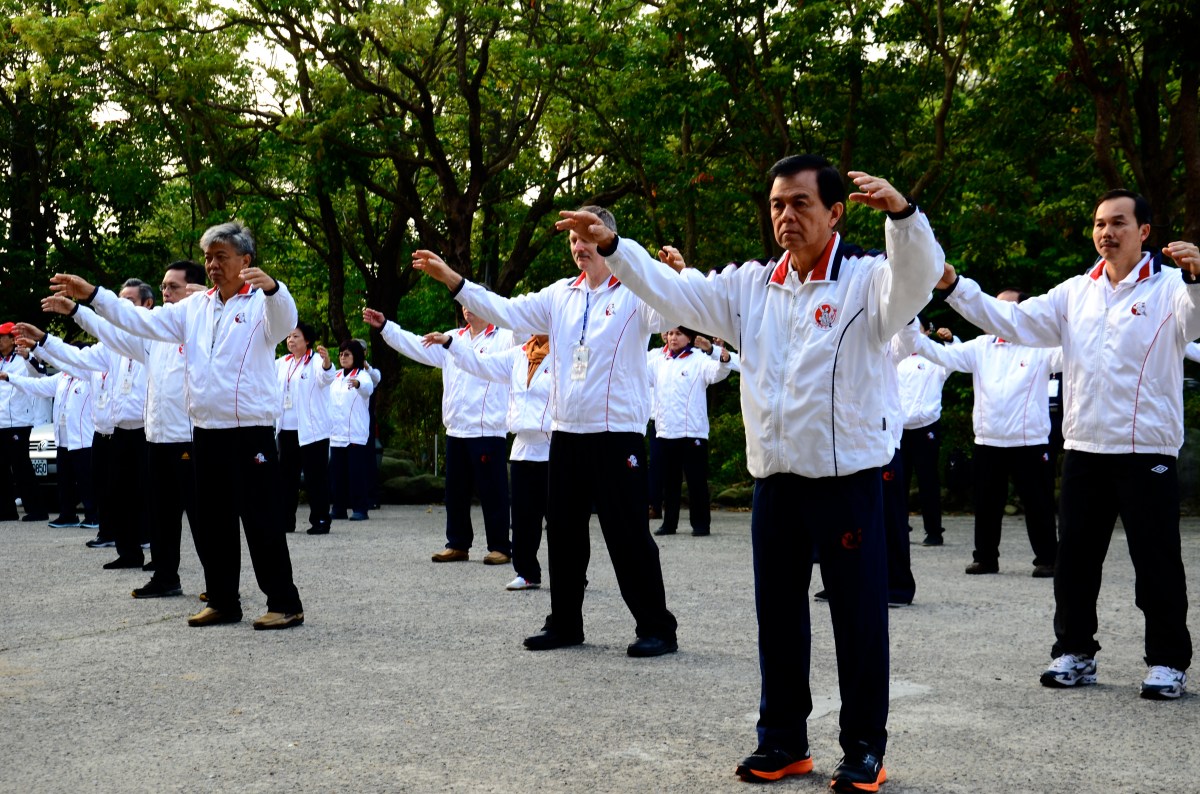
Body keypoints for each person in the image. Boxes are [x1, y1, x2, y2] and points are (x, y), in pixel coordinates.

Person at [585, 156, 944, 789]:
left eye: (801, 203)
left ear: (835, 212)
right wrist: (615, 248)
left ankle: (864, 747)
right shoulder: (750, 286)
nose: (786, 215)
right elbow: (673, 292)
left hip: (847, 480)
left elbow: (917, 280)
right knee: (777, 617)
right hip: (775, 480)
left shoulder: (867, 280)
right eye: (778, 204)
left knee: (858, 620)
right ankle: (782, 740)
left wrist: (903, 216)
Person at [936, 189, 1199, 700]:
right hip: (1083, 448)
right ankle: (1075, 652)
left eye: (1118, 222)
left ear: (1144, 231)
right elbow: (1011, 321)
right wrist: (954, 286)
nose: (1107, 232)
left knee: (1157, 562)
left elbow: (1196, 321)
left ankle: (1168, 661)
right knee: (1075, 561)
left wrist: (1196, 278)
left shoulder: (1172, 286)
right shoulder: (1075, 292)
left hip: (1147, 450)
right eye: (1100, 223)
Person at [411, 204, 680, 659]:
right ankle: (565, 622)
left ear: (607, 238)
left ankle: (657, 627)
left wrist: (673, 274)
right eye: (573, 240)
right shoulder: (560, 295)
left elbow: (673, 310)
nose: (579, 247)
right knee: (564, 533)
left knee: (628, 533)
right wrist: (454, 280)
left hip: (617, 434)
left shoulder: (635, 291)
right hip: (567, 433)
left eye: (586, 237)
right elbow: (505, 310)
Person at [49, 220, 305, 630]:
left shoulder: (262, 303)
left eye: (221, 257)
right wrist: (94, 296)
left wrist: (274, 289)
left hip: (250, 429)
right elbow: (140, 322)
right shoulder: (194, 307)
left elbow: (285, 319)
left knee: (261, 519)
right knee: (215, 521)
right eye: (208, 257)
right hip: (204, 429)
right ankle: (223, 601)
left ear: (245, 260)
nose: (213, 265)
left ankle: (284, 603)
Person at [43, 261, 210, 598]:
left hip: (190, 437)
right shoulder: (153, 337)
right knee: (161, 515)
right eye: (163, 286)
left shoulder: (204, 328)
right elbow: (112, 331)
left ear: (194, 290)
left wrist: (92, 294)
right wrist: (77, 310)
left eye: (174, 287)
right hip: (157, 436)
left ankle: (220, 587)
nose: (166, 292)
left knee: (202, 517)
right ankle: (165, 577)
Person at [913, 296, 1062, 578]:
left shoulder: (1040, 346)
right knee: (985, 503)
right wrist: (910, 327)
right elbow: (942, 355)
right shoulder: (981, 347)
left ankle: (1048, 558)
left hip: (1029, 441)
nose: (997, 312)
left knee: (1038, 503)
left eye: (1006, 307)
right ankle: (985, 558)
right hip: (988, 439)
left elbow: (1074, 352)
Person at [362, 307, 513, 564]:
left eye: (472, 301)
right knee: (455, 492)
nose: (466, 307)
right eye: (463, 302)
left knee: (492, 491)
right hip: (456, 429)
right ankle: (457, 544)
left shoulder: (505, 338)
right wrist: (386, 326)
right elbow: (415, 345)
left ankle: (500, 546)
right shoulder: (452, 337)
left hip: (487, 429)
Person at [23, 279, 154, 570]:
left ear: (147, 305)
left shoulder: (154, 338)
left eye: (129, 302)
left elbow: (102, 325)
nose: (121, 308)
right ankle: (128, 552)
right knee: (118, 493)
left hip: (148, 429)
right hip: (118, 430)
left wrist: (76, 309)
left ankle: (158, 553)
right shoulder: (113, 347)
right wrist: (44, 341)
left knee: (147, 494)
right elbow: (76, 358)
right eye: (119, 301)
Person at [423, 330, 554, 590]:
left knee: (561, 517)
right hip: (523, 446)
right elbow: (480, 363)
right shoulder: (518, 354)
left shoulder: (565, 352)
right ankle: (527, 572)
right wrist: (450, 343)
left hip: (555, 445)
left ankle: (573, 576)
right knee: (523, 517)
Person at [648, 327, 733, 537]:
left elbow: (718, 372)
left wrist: (719, 355)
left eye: (678, 334)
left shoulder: (699, 359)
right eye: (670, 334)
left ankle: (701, 524)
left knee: (696, 481)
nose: (673, 338)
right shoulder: (659, 362)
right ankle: (669, 524)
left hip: (693, 432)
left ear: (689, 337)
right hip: (666, 431)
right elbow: (637, 376)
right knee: (670, 482)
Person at [0, 364, 94, 528]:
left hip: (83, 438)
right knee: (64, 480)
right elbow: (36, 385)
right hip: (63, 438)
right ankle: (68, 515)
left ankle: (93, 516)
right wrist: (10, 377)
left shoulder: (88, 376)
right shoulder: (62, 377)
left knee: (85, 480)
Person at [276, 322, 335, 534]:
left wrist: (327, 363)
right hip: (286, 430)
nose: (290, 340)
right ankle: (286, 520)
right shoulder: (282, 363)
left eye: (296, 336)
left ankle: (320, 520)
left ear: (307, 340)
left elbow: (326, 377)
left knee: (315, 478)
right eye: (288, 336)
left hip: (312, 431)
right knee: (286, 479)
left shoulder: (316, 360)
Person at [897, 322, 952, 546]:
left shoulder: (934, 358)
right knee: (897, 481)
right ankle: (898, 527)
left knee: (927, 480)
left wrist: (949, 341)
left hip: (925, 427)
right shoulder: (896, 357)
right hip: (899, 429)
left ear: (927, 331)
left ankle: (934, 531)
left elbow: (954, 358)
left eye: (916, 327)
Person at [0, 322, 49, 522]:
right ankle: (6, 510)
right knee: (2, 467)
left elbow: (41, 374)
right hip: (1, 421)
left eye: (2, 337)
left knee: (21, 466)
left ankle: (36, 510)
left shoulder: (24, 358)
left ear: (13, 339)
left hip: (19, 421)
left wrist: (28, 357)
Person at [328, 340, 375, 521]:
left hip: (355, 432)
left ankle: (360, 508)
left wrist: (357, 384)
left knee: (356, 473)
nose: (343, 357)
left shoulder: (363, 376)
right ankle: (338, 508)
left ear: (356, 356)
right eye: (341, 354)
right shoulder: (336, 376)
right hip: (336, 433)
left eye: (347, 354)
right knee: (337, 474)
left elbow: (368, 389)